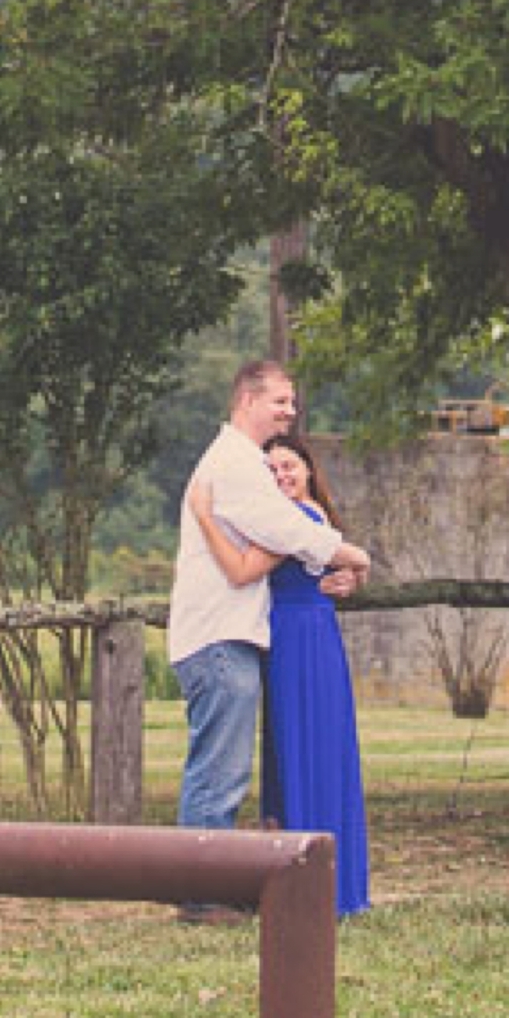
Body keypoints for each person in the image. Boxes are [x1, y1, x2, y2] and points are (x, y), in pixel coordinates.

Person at [165, 361, 368, 921]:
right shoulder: (233, 464)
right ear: (248, 400)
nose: (290, 411)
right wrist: (355, 555)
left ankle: (211, 887)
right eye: (280, 401)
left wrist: (341, 567)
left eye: (291, 402)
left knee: (223, 767)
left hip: (231, 634)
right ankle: (202, 894)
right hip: (218, 635)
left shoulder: (242, 462)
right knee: (219, 772)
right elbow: (285, 531)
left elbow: (289, 538)